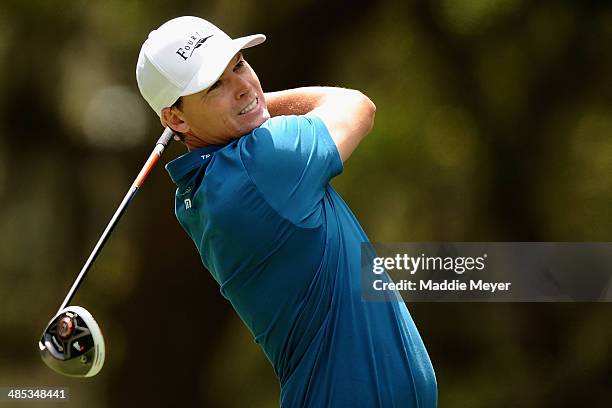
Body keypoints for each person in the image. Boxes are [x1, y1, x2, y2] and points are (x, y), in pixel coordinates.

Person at [136, 16, 437, 407]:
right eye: (215, 85)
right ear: (174, 118)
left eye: (239, 65)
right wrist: (259, 103)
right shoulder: (260, 165)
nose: (243, 86)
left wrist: (237, 107)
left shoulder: (198, 191)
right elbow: (356, 105)